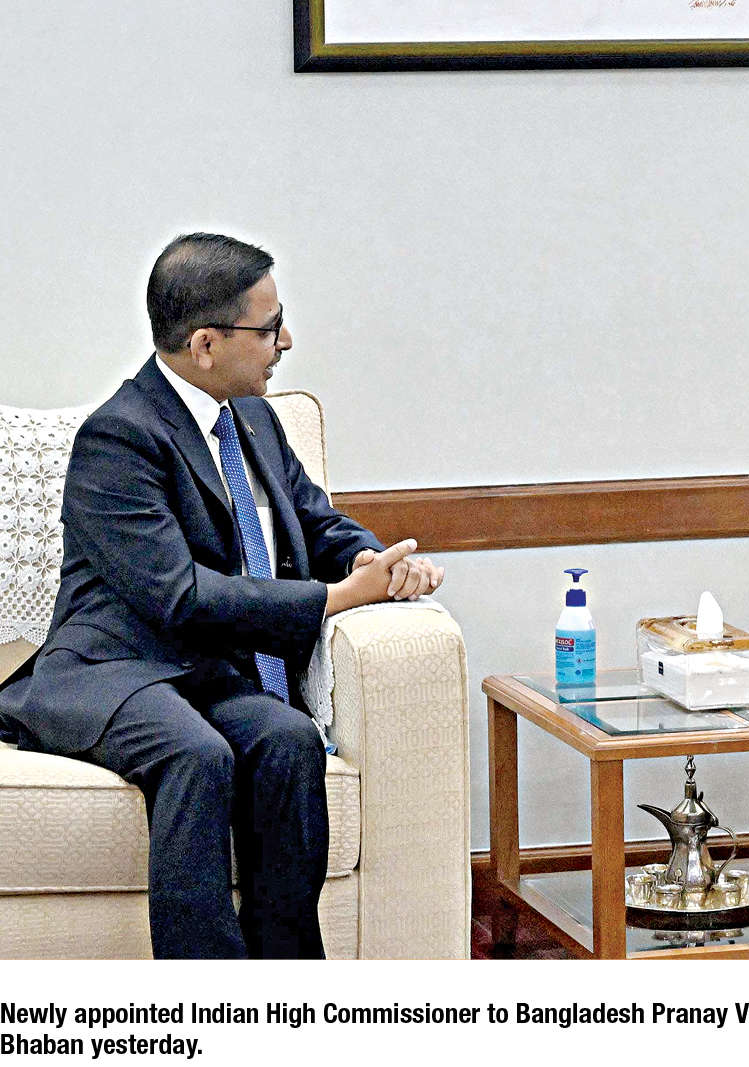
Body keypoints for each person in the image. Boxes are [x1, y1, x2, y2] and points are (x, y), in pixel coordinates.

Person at [0, 233, 445, 958]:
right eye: (270, 328)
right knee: (196, 754)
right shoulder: (118, 437)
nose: (285, 342)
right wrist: (334, 597)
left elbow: (317, 520)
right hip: (113, 671)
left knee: (287, 738)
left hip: (202, 673)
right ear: (206, 344)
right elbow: (178, 596)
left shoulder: (255, 420)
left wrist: (375, 560)